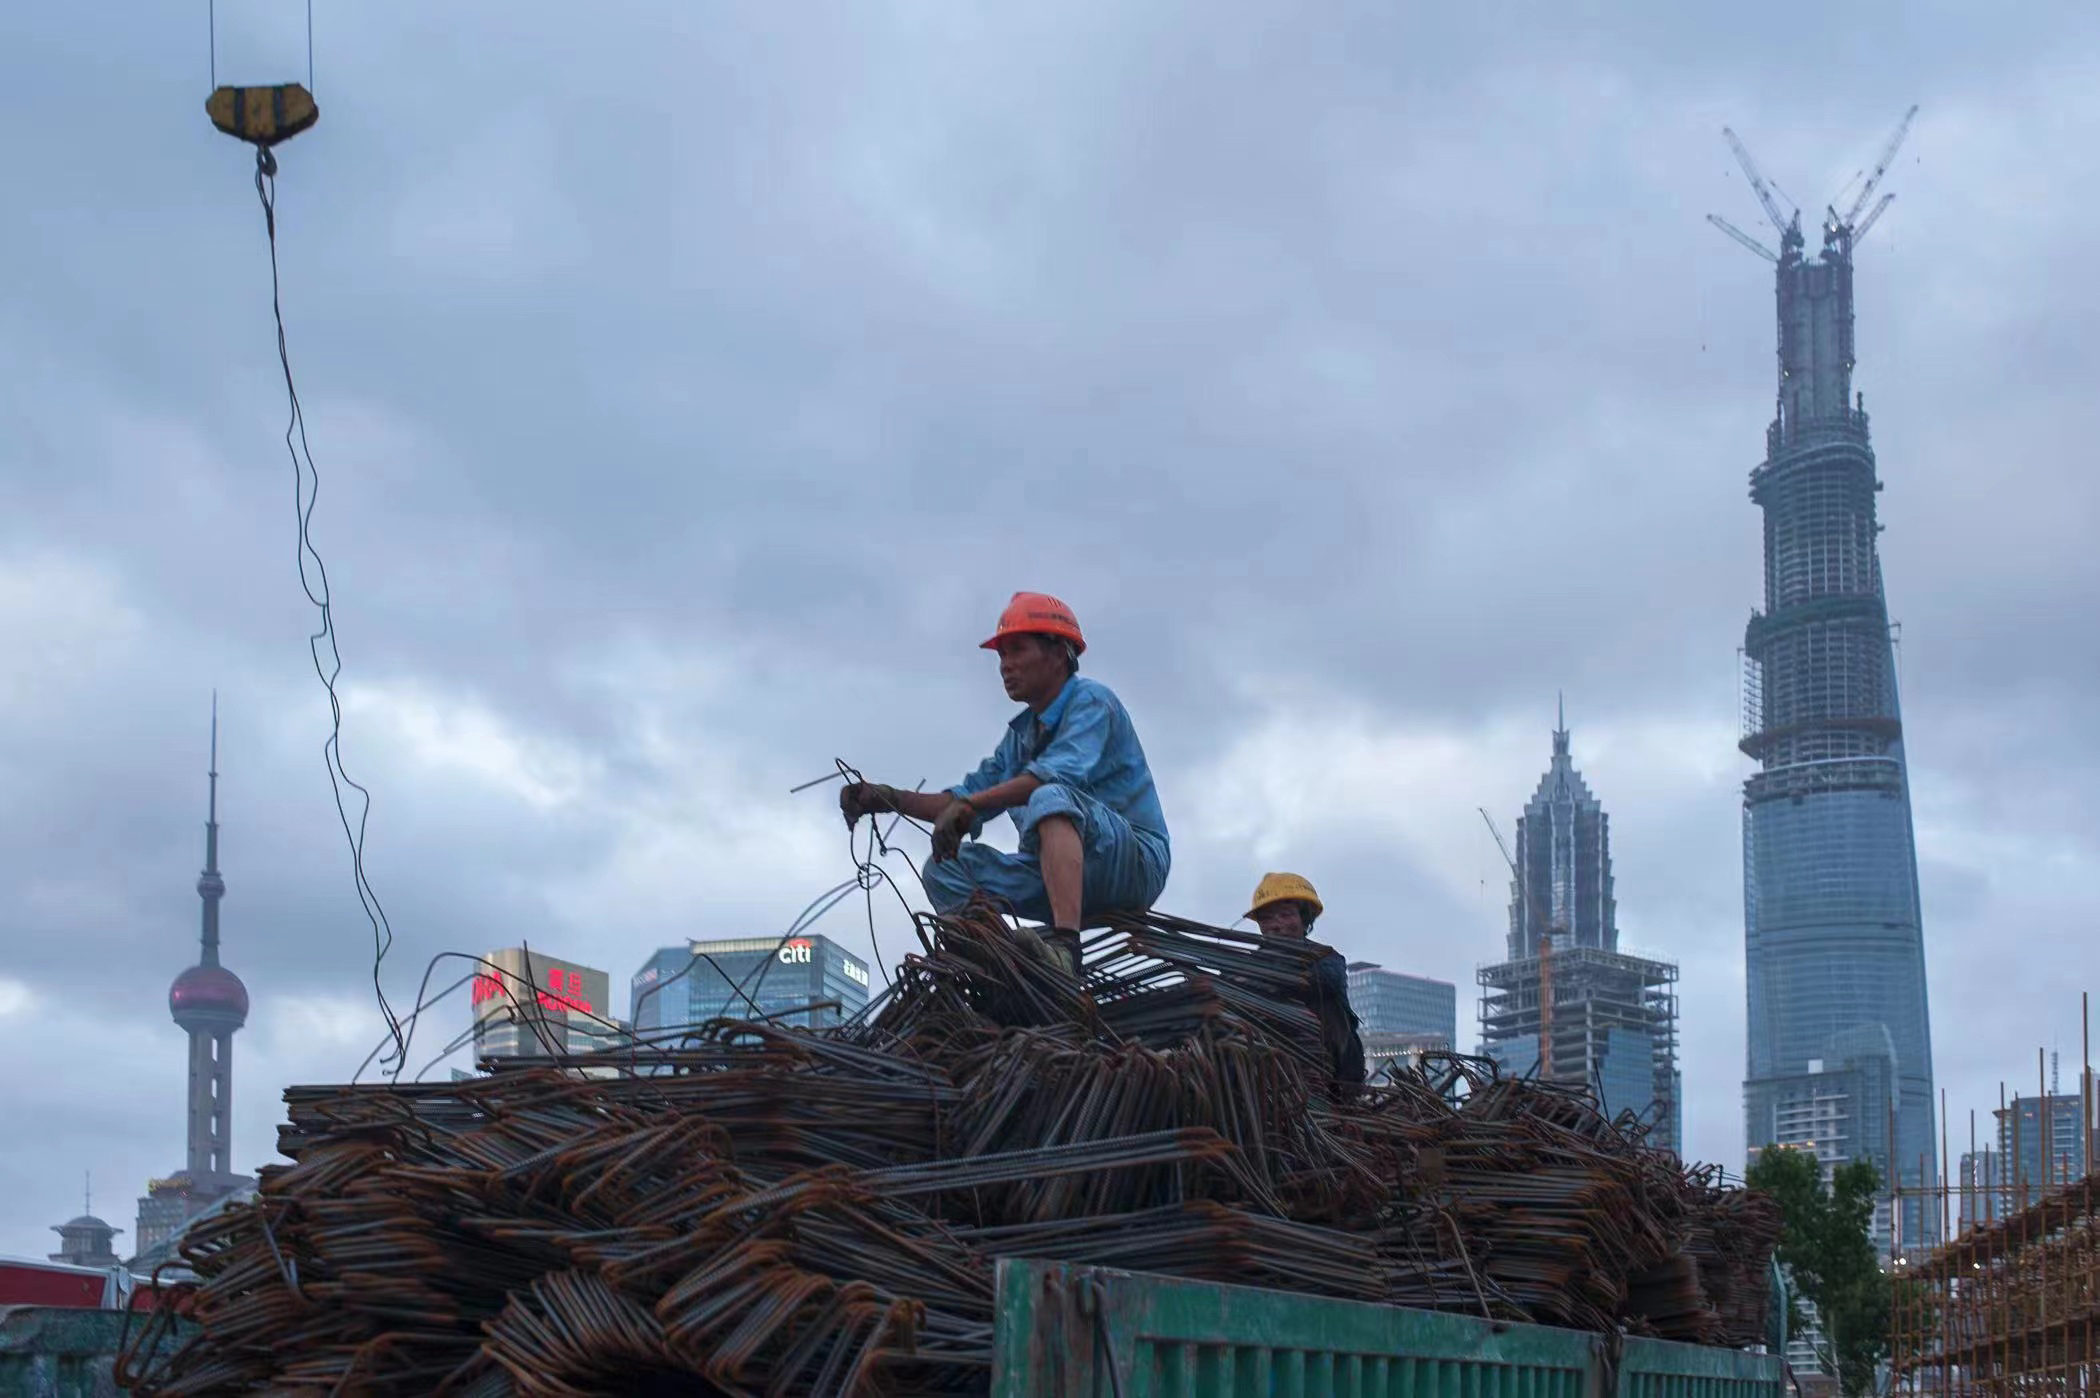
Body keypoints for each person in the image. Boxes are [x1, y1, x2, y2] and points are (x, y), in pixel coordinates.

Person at [841, 592, 1171, 973]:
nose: (1005, 666)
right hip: (1056, 875)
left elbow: (1049, 779)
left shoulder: (1092, 701)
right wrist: (885, 798)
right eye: (1001, 655)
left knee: (1050, 795)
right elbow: (961, 800)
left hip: (1131, 865)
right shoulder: (1019, 741)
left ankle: (1065, 950)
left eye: (1017, 651)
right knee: (944, 868)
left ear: (1060, 652)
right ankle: (1000, 965)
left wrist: (969, 807)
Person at [1245, 873, 1366, 1096]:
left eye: (1286, 915)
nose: (1277, 925)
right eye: (1268, 918)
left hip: (1335, 1075)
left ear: (1304, 918)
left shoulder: (1327, 959)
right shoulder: (1244, 966)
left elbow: (1323, 982)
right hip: (1267, 1075)